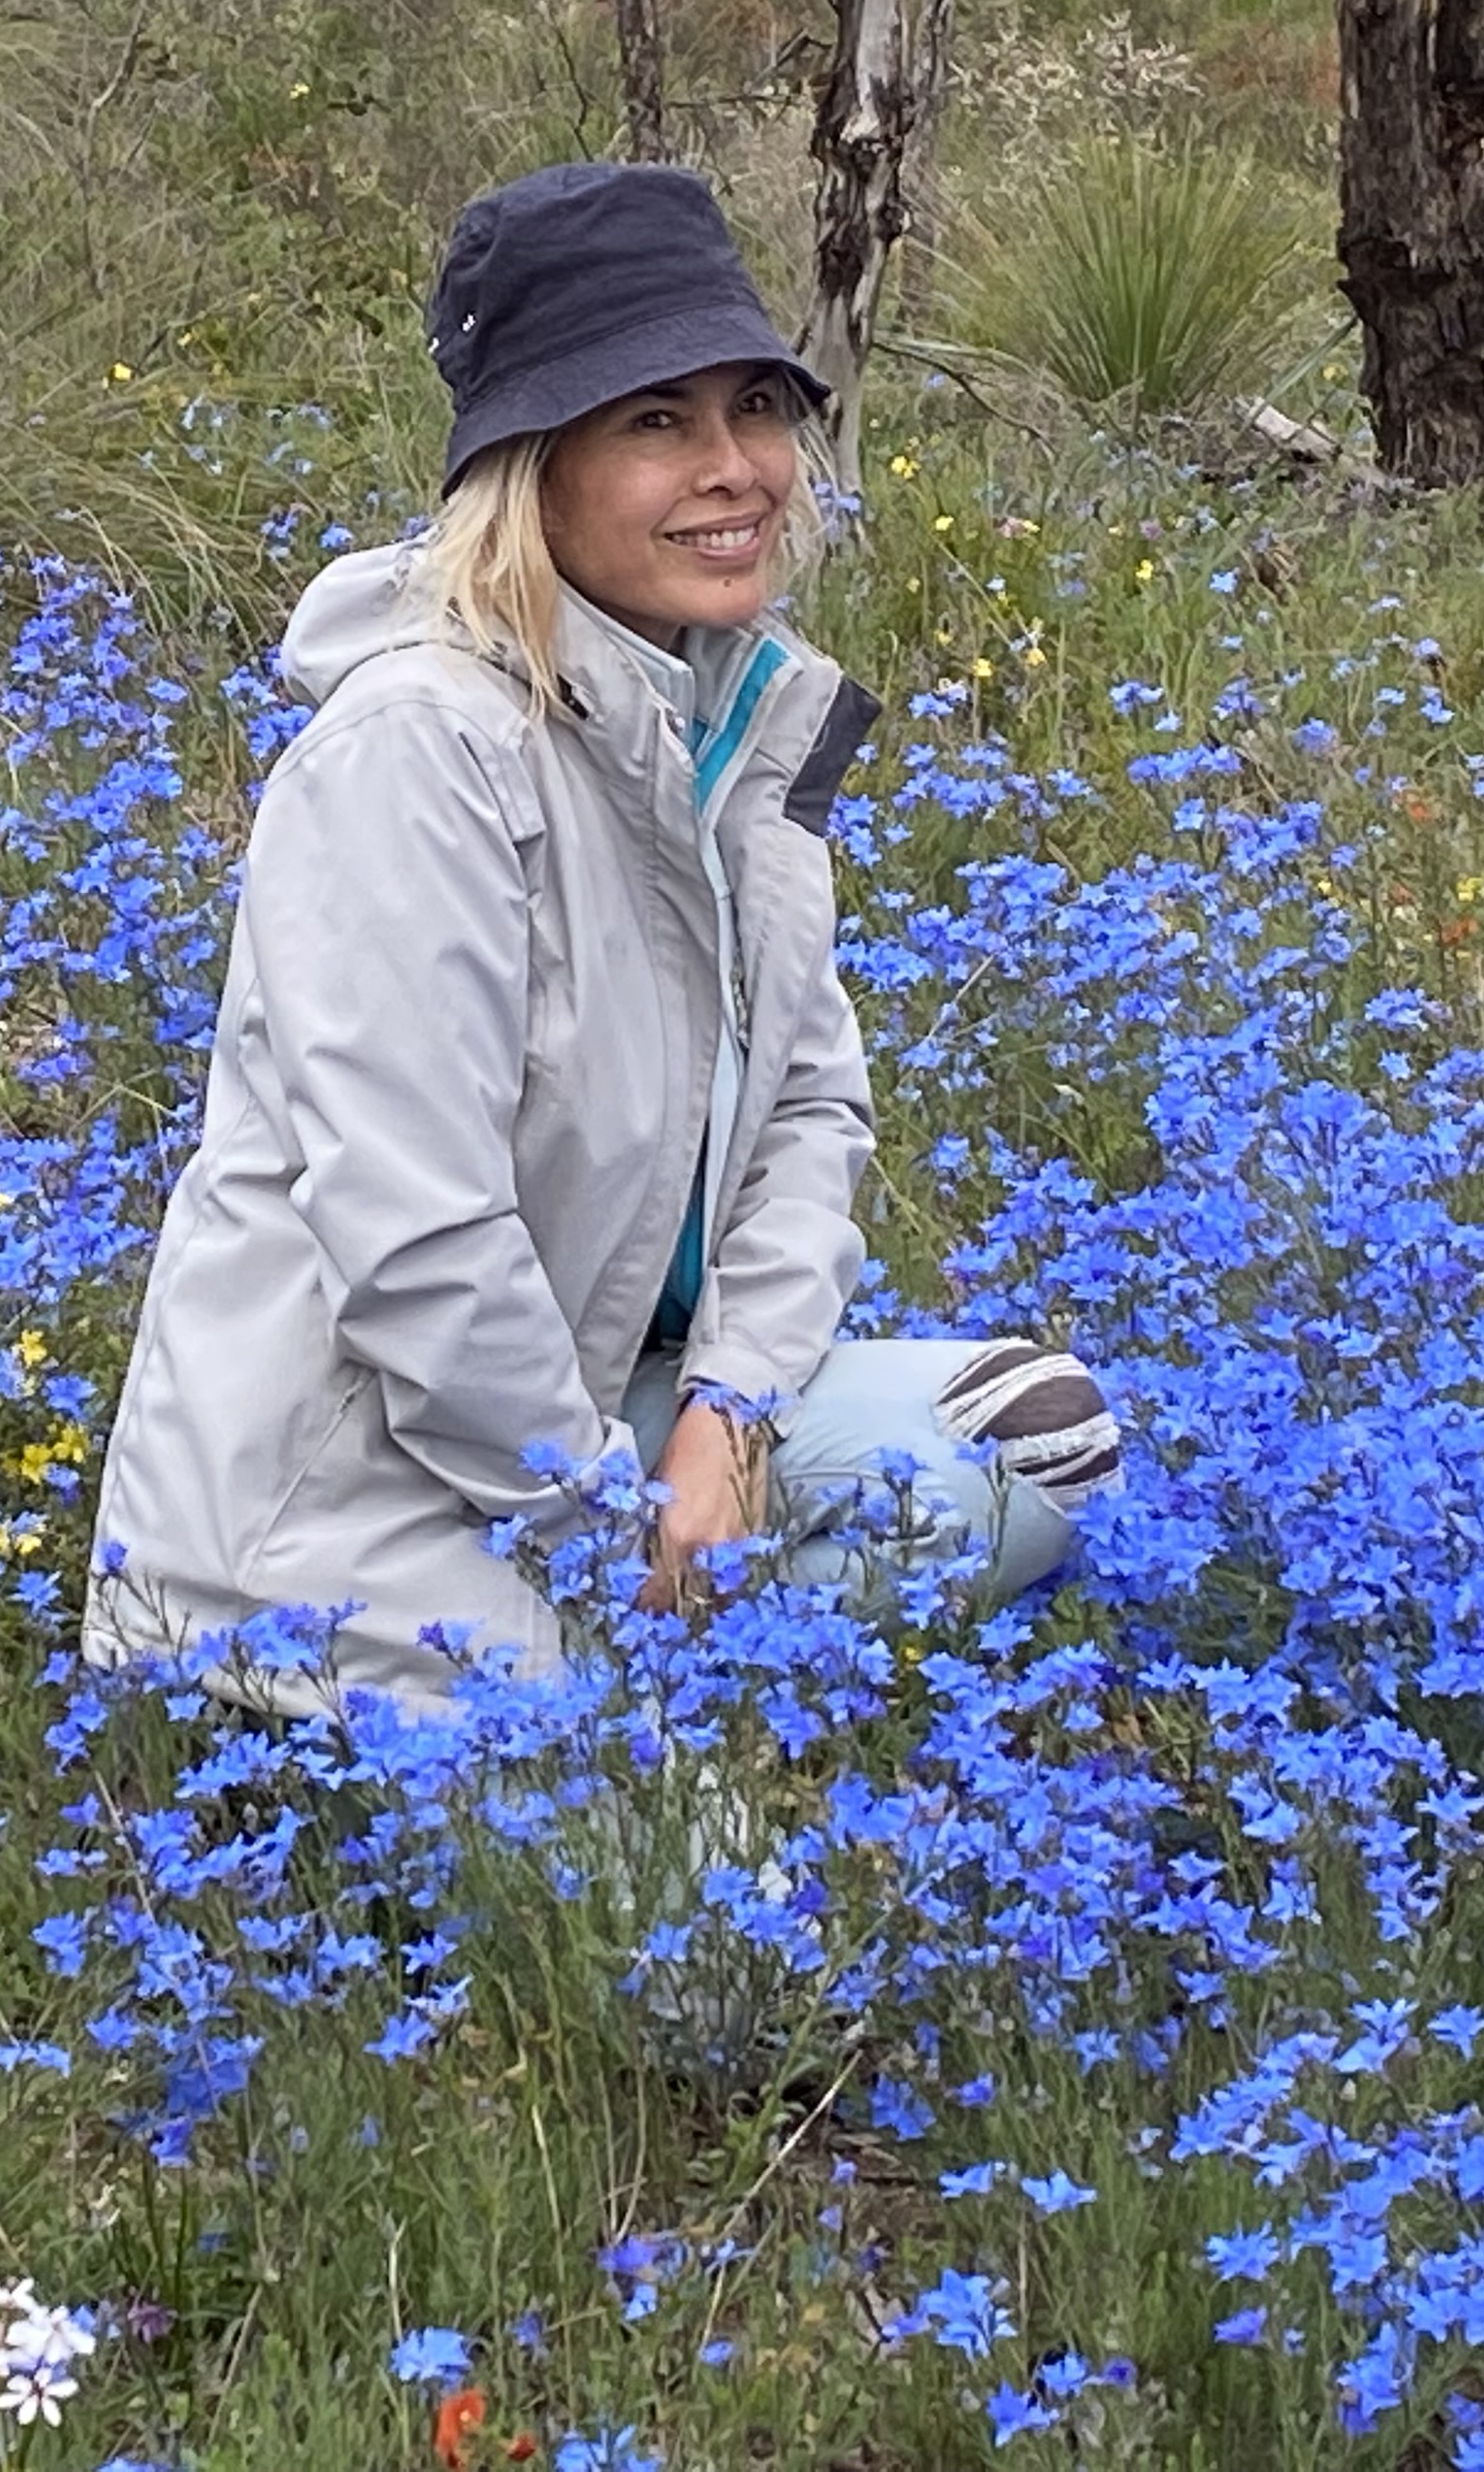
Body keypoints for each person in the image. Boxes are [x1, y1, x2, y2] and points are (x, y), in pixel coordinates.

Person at [85, 161, 1119, 1715]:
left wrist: (731, 1416)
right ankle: (612, 1688)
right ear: (529, 466)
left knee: (1041, 1436)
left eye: (754, 411)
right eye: (655, 421)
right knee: (698, 1928)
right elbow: (417, 1246)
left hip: (606, 1406)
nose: (736, 469)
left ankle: (677, 1664)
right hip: (341, 1492)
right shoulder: (416, 757)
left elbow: (811, 1120)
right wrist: (611, 1528)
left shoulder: (734, 723)